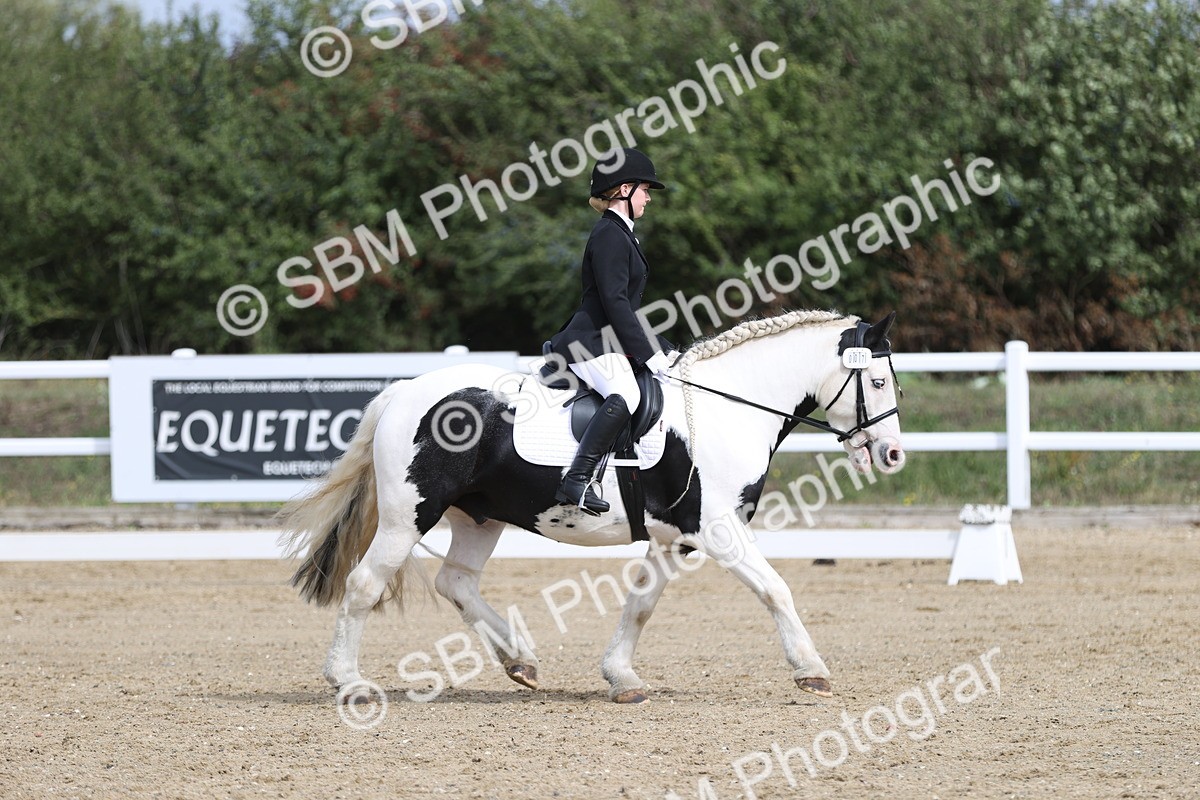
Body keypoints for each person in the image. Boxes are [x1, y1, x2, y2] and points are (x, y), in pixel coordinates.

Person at [548, 148, 674, 515]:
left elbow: (628, 310)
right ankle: (577, 479)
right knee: (626, 394)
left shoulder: (622, 234)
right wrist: (650, 355)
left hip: (605, 340)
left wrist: (664, 348)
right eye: (645, 190)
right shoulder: (609, 235)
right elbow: (615, 304)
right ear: (623, 189)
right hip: (587, 342)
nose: (649, 198)